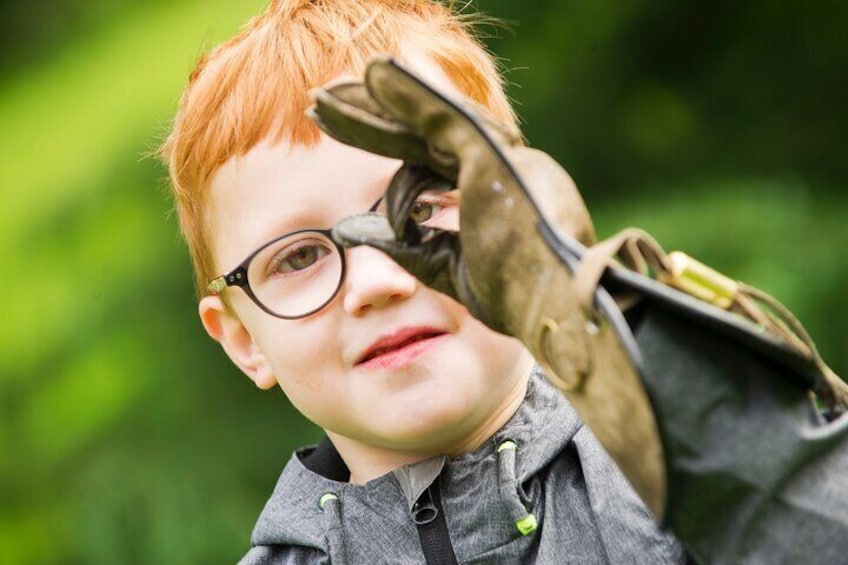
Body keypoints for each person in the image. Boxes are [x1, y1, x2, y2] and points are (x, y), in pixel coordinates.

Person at [159, 1, 687, 563]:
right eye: (299, 257)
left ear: (525, 211)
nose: (375, 282)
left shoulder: (681, 462)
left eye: (419, 212)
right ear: (244, 341)